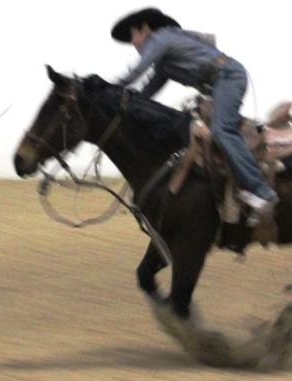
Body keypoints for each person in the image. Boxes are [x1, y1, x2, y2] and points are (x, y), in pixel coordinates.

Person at [112, 7, 278, 225]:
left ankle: (262, 192)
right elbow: (147, 91)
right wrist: (129, 103)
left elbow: (136, 72)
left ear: (144, 28)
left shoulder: (161, 38)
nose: (133, 42)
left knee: (221, 130)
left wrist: (107, 90)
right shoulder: (164, 62)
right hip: (221, 82)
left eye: (133, 35)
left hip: (228, 77)